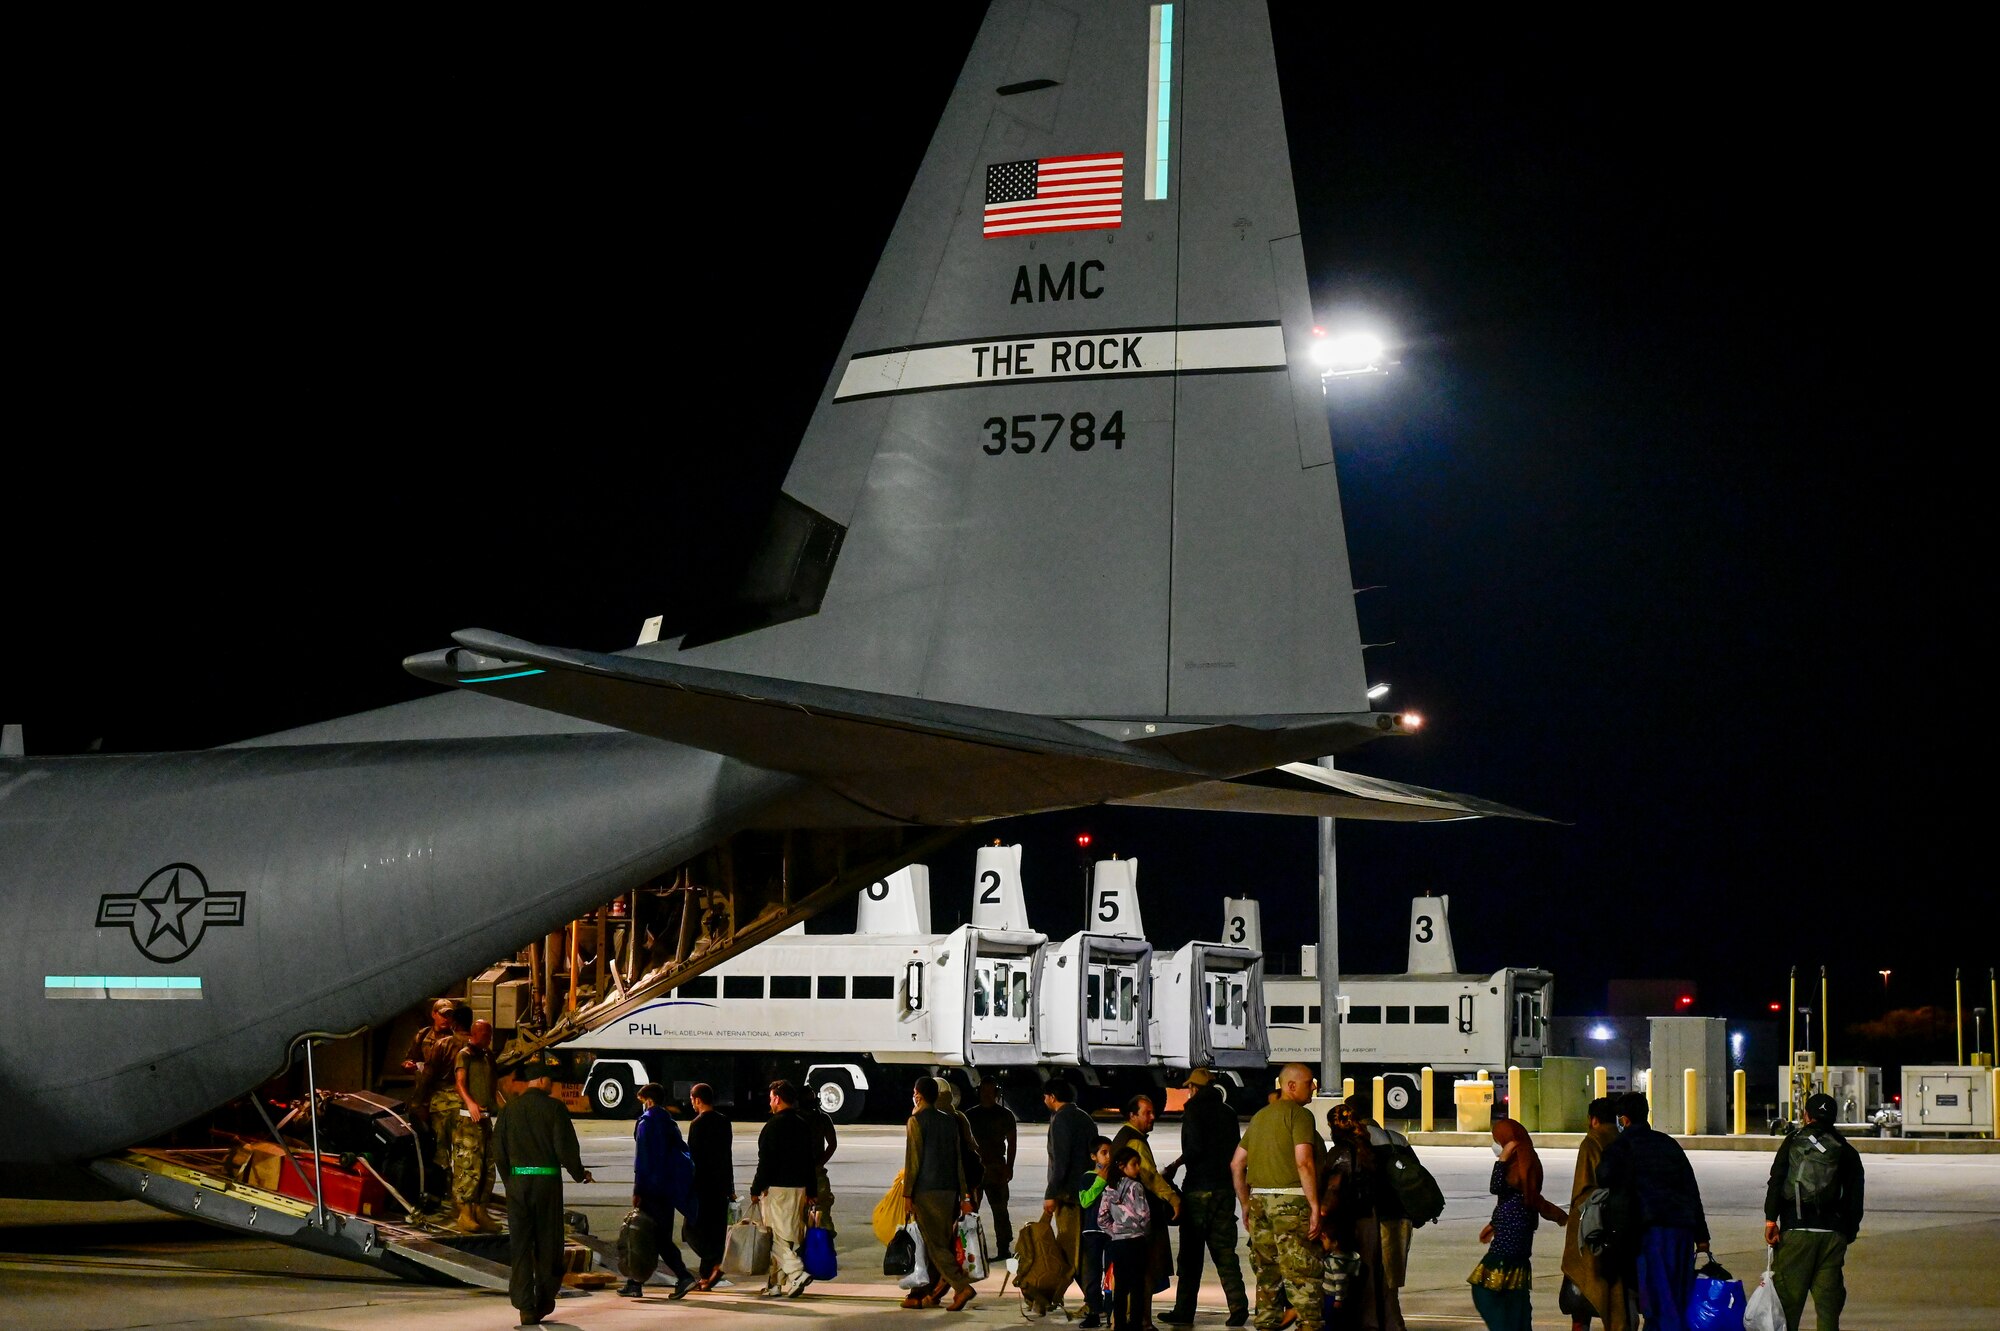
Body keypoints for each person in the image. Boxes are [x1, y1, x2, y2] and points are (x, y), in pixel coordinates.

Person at [492, 1057, 594, 1327]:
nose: (553, 1084)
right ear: (541, 1080)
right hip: (546, 1184)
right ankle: (545, 1297)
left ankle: (525, 1305)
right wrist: (578, 1173)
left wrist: (511, 1181)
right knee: (549, 1243)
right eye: (550, 1079)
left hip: (518, 1185)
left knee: (521, 1246)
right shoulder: (554, 1109)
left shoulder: (509, 1110)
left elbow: (498, 1152)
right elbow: (565, 1148)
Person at [1597, 1092, 1709, 1331]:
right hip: (1682, 1231)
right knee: (1678, 1296)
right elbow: (1690, 1187)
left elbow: (1603, 1176)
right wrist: (1702, 1235)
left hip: (1652, 1233)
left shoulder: (1622, 1145)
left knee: (1658, 1300)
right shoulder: (1668, 1143)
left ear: (1624, 1120)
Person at [1231, 1063, 1324, 1331]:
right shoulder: (1300, 1116)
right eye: (1309, 1082)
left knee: (1266, 1278)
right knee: (1303, 1277)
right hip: (1292, 1203)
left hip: (1259, 1202)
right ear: (1290, 1086)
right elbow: (1304, 1162)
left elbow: (1236, 1164)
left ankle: (1266, 1324)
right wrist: (1315, 1206)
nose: (1314, 1087)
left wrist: (1246, 1204)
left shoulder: (1260, 1117)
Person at [1763, 1091, 1864, 1331]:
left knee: (1788, 1306)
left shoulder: (1793, 1141)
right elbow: (1854, 1199)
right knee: (1828, 1307)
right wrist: (1846, 1233)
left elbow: (1776, 1181)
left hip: (1796, 1232)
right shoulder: (1846, 1151)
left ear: (1806, 1116)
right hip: (1832, 1235)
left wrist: (1770, 1220)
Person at [1162, 1069, 1249, 1326]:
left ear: (1195, 1088)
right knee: (1225, 1253)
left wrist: (1176, 1164)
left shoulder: (1193, 1112)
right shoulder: (1228, 1113)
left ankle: (1184, 1310)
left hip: (1198, 1190)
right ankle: (1238, 1307)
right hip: (1223, 1190)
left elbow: (1194, 1149)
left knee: (1190, 1256)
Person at [1467, 1117, 1567, 1330]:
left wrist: (1502, 1159)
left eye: (1497, 1140)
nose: (1496, 1144)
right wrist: (1495, 1223)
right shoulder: (1526, 1159)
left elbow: (1498, 1188)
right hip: (1516, 1232)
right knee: (1514, 1290)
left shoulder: (1517, 1162)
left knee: (1485, 1290)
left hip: (1510, 1238)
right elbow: (1522, 1198)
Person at [1322, 1098, 1403, 1331]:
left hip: (1350, 1220)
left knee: (1348, 1273)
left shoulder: (1341, 1152)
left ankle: (1359, 1321)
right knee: (1373, 1269)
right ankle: (1377, 1320)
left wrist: (1321, 1213)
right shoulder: (1367, 1149)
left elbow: (1334, 1188)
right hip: (1373, 1216)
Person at [901, 1075, 978, 1312]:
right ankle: (926, 1295)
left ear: (919, 1095)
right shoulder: (949, 1121)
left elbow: (913, 1160)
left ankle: (962, 1287)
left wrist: (907, 1195)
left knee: (935, 1246)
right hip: (950, 1192)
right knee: (941, 1243)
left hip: (926, 1191)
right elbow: (958, 1162)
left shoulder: (916, 1121)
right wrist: (964, 1196)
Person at [1560, 1098, 1632, 1331]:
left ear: (1593, 1120)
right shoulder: (1624, 1141)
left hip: (1593, 1229)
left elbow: (1581, 1190)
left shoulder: (1591, 1142)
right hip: (1622, 1227)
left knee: (1585, 1290)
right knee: (1618, 1295)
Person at [622, 1082, 698, 1300]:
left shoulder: (646, 1123)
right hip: (668, 1189)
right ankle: (634, 1282)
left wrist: (638, 1189)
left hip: (651, 1190)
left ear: (649, 1101)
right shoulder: (669, 1122)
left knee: (648, 1236)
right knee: (652, 1235)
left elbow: (643, 1161)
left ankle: (683, 1276)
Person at [1112, 1093, 1181, 1314]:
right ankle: (1143, 1320)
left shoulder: (1122, 1136)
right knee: (1146, 1269)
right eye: (1147, 1113)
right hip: (1139, 1222)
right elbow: (1150, 1176)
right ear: (1132, 1115)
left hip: (1122, 1223)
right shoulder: (1135, 1141)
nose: (1152, 1117)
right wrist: (1173, 1198)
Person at [750, 1080, 819, 1298]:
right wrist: (812, 1190)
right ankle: (775, 1284)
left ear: (777, 1099)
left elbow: (766, 1162)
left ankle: (796, 1273)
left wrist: (756, 1187)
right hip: (799, 1189)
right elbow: (810, 1160)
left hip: (776, 1189)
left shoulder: (772, 1126)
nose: (770, 1102)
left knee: (773, 1238)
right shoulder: (802, 1124)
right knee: (786, 1238)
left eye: (771, 1098)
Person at [1039, 1078, 1098, 1320]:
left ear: (1052, 1097)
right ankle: (1093, 1299)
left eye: (1045, 1097)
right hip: (1087, 1191)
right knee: (1081, 1248)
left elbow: (1060, 1162)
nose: (1044, 1101)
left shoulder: (1061, 1119)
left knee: (1072, 1252)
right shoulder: (1085, 1117)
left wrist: (1052, 1193)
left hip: (1069, 1197)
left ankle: (1094, 1301)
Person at [1359, 1113, 1414, 1331]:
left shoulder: (1360, 1141)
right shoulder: (1397, 1139)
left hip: (1373, 1217)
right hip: (1400, 1215)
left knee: (1370, 1275)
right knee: (1391, 1278)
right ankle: (1393, 1321)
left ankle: (1380, 1322)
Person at [447, 1018, 500, 1233]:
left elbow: (493, 1086)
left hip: (485, 1119)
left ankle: (481, 1210)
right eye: (485, 1035)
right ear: (474, 1034)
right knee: (468, 1166)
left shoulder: (488, 1057)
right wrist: (470, 1103)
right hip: (468, 1120)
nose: (488, 1039)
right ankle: (465, 1213)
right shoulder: (464, 1055)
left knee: (487, 1166)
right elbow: (459, 1083)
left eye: (489, 1035)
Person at [1099, 1146, 1156, 1331]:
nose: (1138, 1168)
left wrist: (1114, 1230)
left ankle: (1120, 1324)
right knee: (1137, 1286)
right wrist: (1143, 1231)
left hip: (1118, 1243)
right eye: (1134, 1164)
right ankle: (1135, 1324)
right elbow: (1144, 1214)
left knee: (1120, 1287)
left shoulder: (1109, 1188)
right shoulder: (1136, 1186)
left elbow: (1101, 1218)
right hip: (1136, 1241)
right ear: (1123, 1166)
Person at [685, 1082, 735, 1290]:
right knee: (715, 1231)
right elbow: (727, 1156)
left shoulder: (697, 1124)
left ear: (697, 1100)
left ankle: (715, 1263)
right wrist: (730, 1186)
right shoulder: (725, 1122)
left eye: (692, 1100)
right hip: (721, 1185)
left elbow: (692, 1159)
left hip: (702, 1186)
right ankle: (707, 1276)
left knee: (691, 1231)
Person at [966, 1079, 1019, 1259]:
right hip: (976, 1168)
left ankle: (1003, 1248)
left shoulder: (1005, 1115)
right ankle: (970, 1249)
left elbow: (1012, 1143)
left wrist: (1009, 1166)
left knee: (1000, 1211)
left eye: (990, 1092)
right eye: (984, 1092)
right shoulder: (970, 1115)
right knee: (971, 1211)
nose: (987, 1095)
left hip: (996, 1167)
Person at [1077, 1136, 1116, 1328]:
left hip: (1112, 1232)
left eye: (1111, 1152)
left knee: (1111, 1272)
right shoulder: (1088, 1177)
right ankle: (1093, 1309)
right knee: (1092, 1272)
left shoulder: (1116, 1177)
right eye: (1104, 1153)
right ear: (1094, 1157)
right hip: (1092, 1231)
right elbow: (1085, 1201)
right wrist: (1100, 1181)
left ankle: (1111, 1311)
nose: (1108, 1157)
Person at [799, 1088, 840, 1238]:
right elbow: (832, 1144)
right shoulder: (822, 1118)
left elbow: (832, 1144)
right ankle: (823, 1245)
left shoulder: (797, 1119)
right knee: (822, 1213)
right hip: (815, 1172)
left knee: (804, 1214)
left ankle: (813, 1245)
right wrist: (820, 1163)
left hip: (802, 1172)